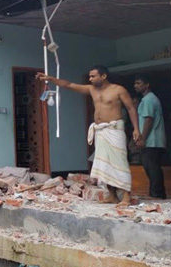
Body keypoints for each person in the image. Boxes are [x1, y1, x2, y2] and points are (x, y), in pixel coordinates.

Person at [37, 66, 140, 206]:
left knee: (119, 163)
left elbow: (131, 108)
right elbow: (69, 85)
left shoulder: (118, 90)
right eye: (90, 76)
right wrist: (51, 79)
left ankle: (126, 196)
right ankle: (112, 195)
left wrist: (136, 128)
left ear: (103, 76)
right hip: (100, 131)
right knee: (104, 165)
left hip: (114, 130)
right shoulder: (92, 90)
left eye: (93, 76)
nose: (90, 79)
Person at [134, 75, 167, 199]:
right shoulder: (151, 98)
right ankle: (157, 192)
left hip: (151, 140)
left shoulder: (148, 100)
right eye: (135, 83)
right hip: (154, 139)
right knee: (152, 167)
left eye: (138, 83)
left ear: (147, 85)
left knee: (152, 167)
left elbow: (148, 120)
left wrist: (142, 138)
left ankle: (157, 193)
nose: (135, 86)